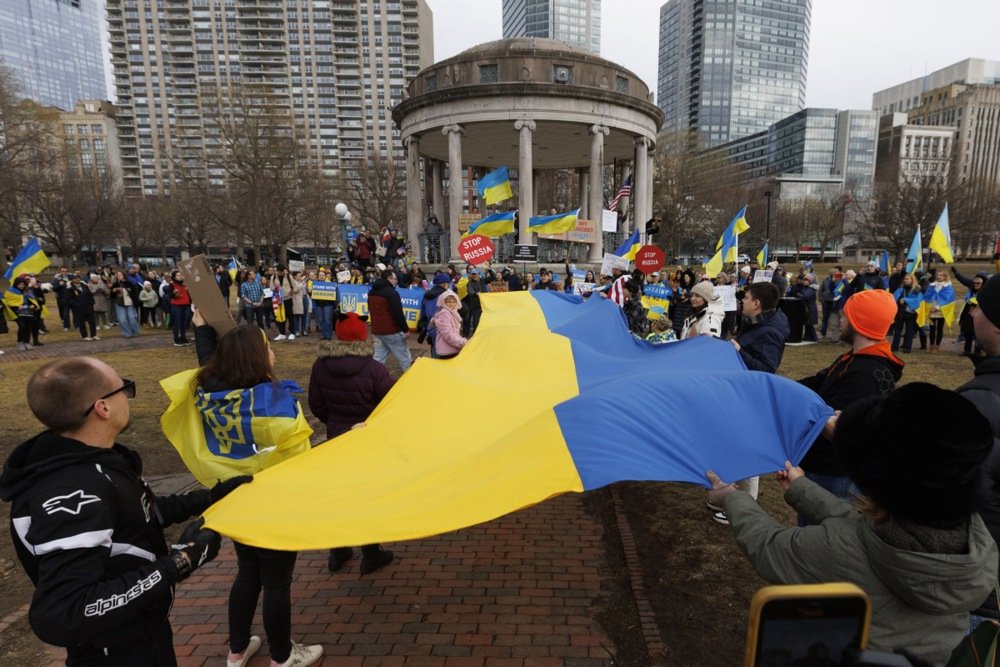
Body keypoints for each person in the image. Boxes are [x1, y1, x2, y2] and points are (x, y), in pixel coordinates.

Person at [707, 383, 998, 665]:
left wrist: (732, 498)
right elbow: (862, 527)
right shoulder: (973, 542)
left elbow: (768, 545)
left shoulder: (838, 549)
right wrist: (801, 488)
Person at [0, 357, 241, 665]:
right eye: (124, 388)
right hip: (114, 652)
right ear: (103, 407)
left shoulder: (93, 458)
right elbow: (66, 610)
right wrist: (181, 562)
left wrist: (210, 498)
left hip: (143, 632)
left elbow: (136, 514)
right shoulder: (74, 491)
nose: (128, 396)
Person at [190, 312, 322, 667]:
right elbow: (299, 457)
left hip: (235, 496)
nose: (273, 353)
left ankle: (236, 650)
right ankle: (282, 656)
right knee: (277, 582)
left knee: (248, 572)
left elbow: (206, 362)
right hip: (273, 501)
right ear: (256, 358)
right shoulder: (274, 402)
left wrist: (202, 328)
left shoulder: (209, 391)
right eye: (267, 348)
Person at [307, 311, 396, 577]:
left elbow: (316, 404)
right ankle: (370, 552)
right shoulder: (375, 370)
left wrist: (335, 422)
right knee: (367, 494)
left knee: (341, 494)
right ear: (362, 337)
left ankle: (338, 550)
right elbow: (389, 404)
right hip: (368, 440)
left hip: (337, 437)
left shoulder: (320, 366)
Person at [797, 289, 903, 508]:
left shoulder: (865, 374)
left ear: (859, 323)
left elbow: (843, 432)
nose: (842, 320)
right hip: (824, 468)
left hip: (834, 476)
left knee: (823, 527)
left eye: (846, 316)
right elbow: (819, 382)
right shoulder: (853, 359)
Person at [958, 274, 1000, 630]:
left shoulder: (981, 402)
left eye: (979, 308)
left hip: (983, 589)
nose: (972, 314)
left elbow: (954, 498)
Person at [730, 281, 788, 373]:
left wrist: (739, 351)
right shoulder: (756, 321)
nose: (742, 301)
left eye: (746, 298)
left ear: (756, 304)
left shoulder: (769, 332)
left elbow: (766, 370)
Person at [368, 268, 412, 372]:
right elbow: (398, 313)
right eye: (394, 279)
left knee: (378, 359)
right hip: (392, 331)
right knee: (405, 359)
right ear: (389, 278)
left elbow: (370, 309)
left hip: (377, 331)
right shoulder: (392, 293)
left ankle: (372, 378)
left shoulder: (371, 292)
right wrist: (405, 330)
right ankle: (411, 379)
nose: (396, 281)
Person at [4, 275, 40, 351]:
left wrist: (33, 305)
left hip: (28, 311)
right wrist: (16, 306)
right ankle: (20, 342)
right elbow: (8, 302)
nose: (21, 286)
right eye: (20, 284)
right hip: (17, 312)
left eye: (23, 284)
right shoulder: (10, 291)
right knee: (22, 326)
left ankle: (27, 342)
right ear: (16, 284)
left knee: (28, 327)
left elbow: (32, 299)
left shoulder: (26, 291)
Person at [891, 274, 923, 354]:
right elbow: (893, 299)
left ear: (912, 280)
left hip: (910, 313)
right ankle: (894, 347)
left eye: (907, 279)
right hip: (900, 312)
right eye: (905, 279)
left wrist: (905, 299)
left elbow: (917, 301)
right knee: (897, 331)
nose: (905, 280)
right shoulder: (900, 289)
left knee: (909, 331)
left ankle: (907, 347)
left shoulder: (916, 290)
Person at [924, 269, 954, 353]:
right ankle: (931, 346)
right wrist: (929, 307)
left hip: (941, 310)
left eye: (941, 275)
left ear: (945, 277)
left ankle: (937, 347)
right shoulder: (932, 286)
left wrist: (937, 308)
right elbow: (927, 296)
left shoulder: (948, 287)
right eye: (937, 275)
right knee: (932, 329)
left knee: (939, 328)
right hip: (931, 309)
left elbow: (948, 299)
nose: (938, 276)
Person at [430, 289, 467, 359]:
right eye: (448, 301)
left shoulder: (453, 313)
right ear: (443, 302)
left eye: (453, 301)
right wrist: (462, 342)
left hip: (452, 348)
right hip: (447, 351)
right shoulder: (444, 313)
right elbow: (448, 334)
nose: (451, 304)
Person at [67, 274, 99, 341]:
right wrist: (76, 304)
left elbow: (90, 295)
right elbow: (69, 299)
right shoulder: (70, 289)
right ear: (72, 280)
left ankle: (93, 335)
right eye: (75, 278)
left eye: (78, 278)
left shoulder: (85, 286)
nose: (77, 279)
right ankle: (85, 336)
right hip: (79, 308)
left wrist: (92, 303)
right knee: (82, 323)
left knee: (92, 322)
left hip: (88, 307)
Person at [111, 270, 141, 339]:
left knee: (132, 318)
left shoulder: (129, 283)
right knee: (122, 320)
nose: (118, 276)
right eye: (117, 275)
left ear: (124, 275)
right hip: (119, 303)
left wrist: (136, 303)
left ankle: (135, 332)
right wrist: (113, 291)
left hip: (130, 303)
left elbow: (134, 294)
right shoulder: (115, 284)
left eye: (120, 274)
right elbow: (111, 296)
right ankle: (127, 333)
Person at [168, 270, 193, 346]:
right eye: (178, 275)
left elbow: (189, 295)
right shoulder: (172, 285)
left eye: (180, 275)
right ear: (174, 277)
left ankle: (183, 337)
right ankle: (176, 339)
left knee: (184, 323)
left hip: (186, 305)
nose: (180, 277)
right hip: (176, 306)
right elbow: (170, 296)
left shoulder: (185, 285)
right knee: (177, 323)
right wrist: (174, 293)